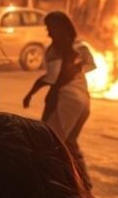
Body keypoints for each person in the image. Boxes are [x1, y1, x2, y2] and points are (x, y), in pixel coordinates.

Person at [23, 11, 95, 182]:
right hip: (84, 100)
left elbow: (51, 79)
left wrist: (31, 93)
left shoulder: (55, 51)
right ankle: (83, 181)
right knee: (69, 141)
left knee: (51, 142)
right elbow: (89, 66)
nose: (48, 33)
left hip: (68, 100)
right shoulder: (82, 47)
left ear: (59, 29)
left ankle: (52, 181)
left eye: (50, 28)